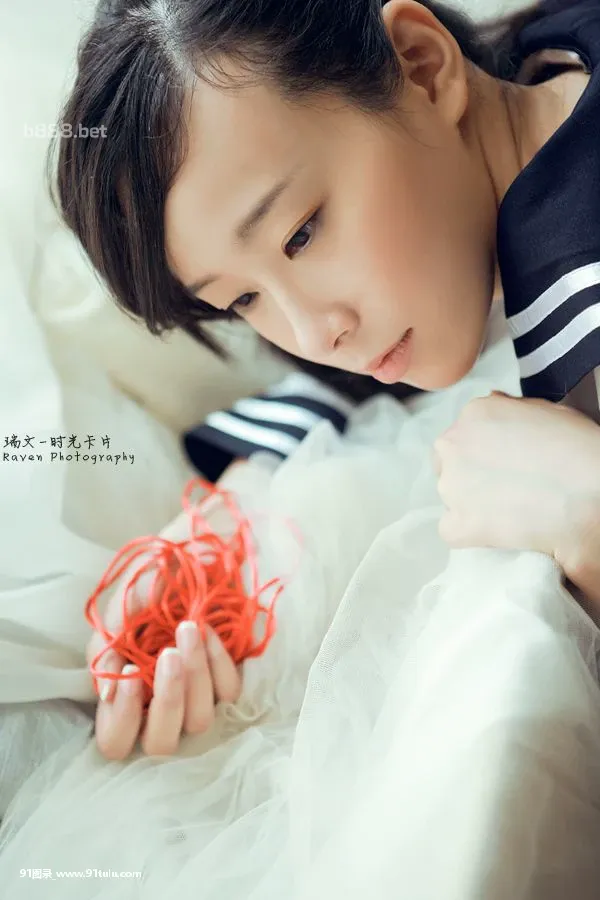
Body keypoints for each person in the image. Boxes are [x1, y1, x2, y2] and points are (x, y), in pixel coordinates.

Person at [51, 0, 600, 760]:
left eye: (302, 234)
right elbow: (355, 383)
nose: (314, 334)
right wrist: (217, 537)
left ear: (421, 66)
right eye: (243, 299)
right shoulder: (549, 73)